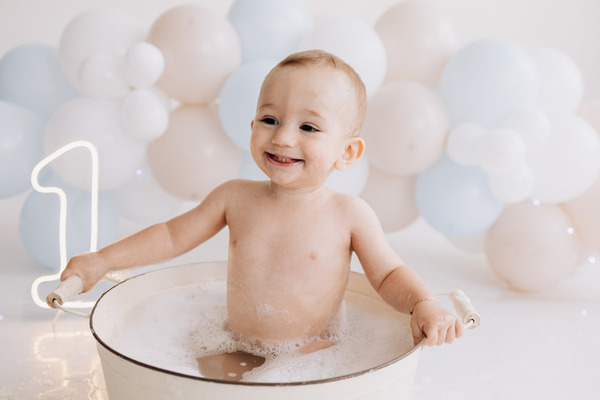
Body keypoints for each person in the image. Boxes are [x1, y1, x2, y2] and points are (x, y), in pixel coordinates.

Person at [62, 49, 463, 351]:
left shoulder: (348, 215)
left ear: (346, 152)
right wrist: (103, 260)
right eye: (270, 120)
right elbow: (170, 236)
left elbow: (389, 275)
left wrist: (423, 303)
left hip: (316, 356)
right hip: (236, 344)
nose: (283, 137)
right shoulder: (234, 197)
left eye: (309, 127)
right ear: (252, 125)